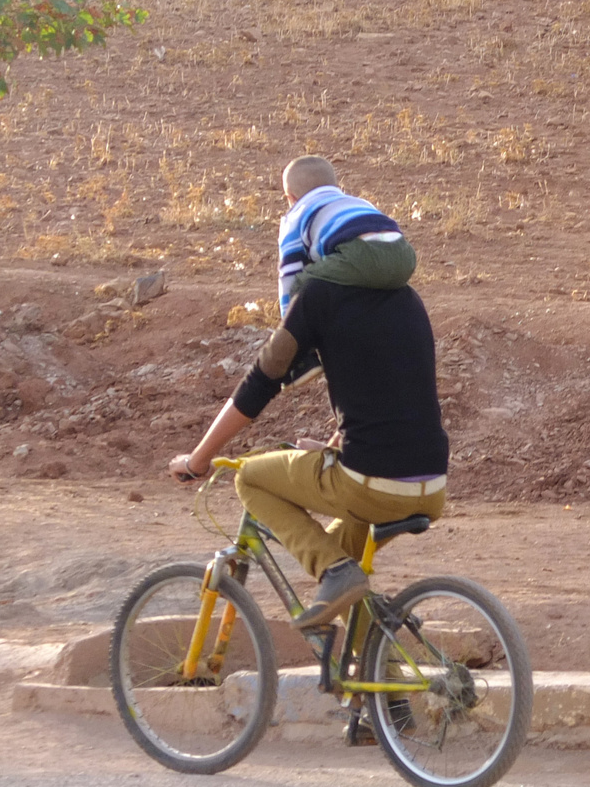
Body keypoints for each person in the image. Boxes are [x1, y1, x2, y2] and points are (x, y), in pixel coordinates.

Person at [167, 163, 448, 629]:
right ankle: (385, 691)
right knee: (347, 552)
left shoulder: (316, 294)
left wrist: (198, 460)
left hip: (371, 481)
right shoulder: (408, 298)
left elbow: (258, 385)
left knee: (251, 480)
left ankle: (335, 572)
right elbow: (391, 393)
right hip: (431, 481)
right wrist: (338, 446)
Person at [274, 155, 416, 317]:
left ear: (290, 198)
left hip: (358, 255)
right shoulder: (360, 202)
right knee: (364, 276)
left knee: (304, 282)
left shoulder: (296, 216)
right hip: (404, 255)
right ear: (336, 186)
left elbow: (290, 273)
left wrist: (288, 319)